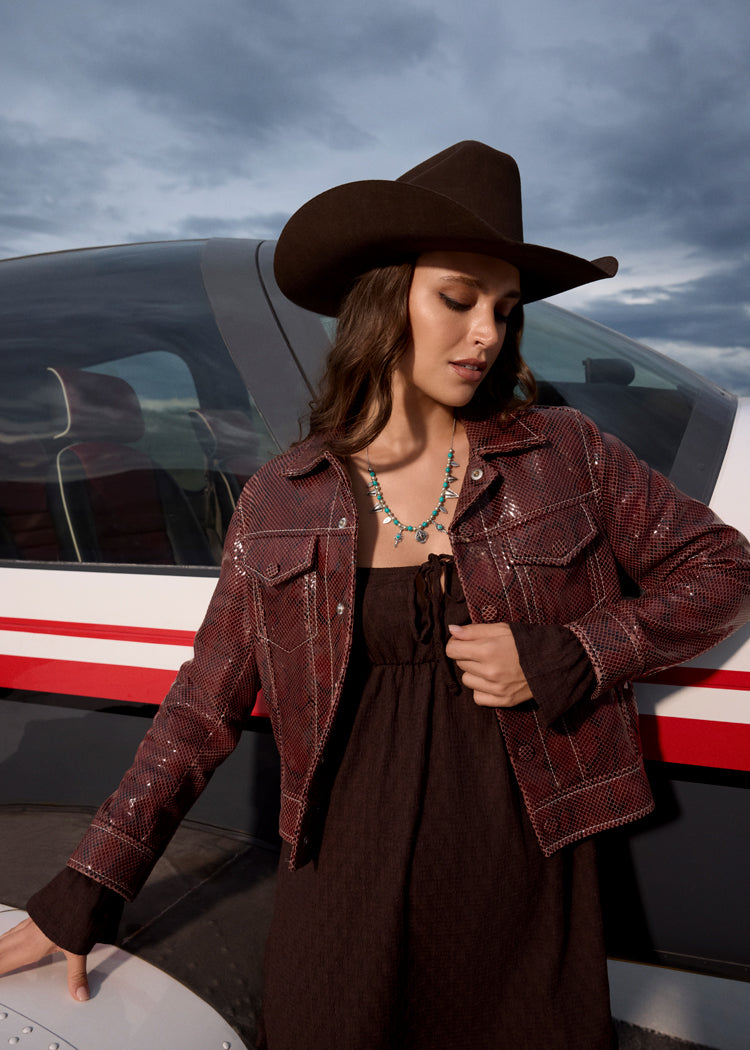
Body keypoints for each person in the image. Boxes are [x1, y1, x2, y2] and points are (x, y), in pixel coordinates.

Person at [1, 141, 749, 1049]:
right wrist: (88, 887)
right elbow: (201, 705)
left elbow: (723, 568)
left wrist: (576, 653)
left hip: (522, 870)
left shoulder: (566, 453)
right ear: (386, 298)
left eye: (504, 312)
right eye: (457, 299)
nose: (486, 334)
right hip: (340, 873)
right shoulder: (284, 496)